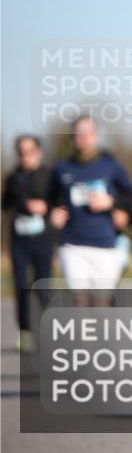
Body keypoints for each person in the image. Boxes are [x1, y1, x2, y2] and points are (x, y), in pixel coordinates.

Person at [50, 116, 132, 307]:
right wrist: (53, 216)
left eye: (88, 133)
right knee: (80, 301)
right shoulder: (62, 168)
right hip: (73, 244)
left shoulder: (110, 165)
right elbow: (51, 202)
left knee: (100, 304)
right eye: (78, 133)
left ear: (96, 135)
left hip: (105, 244)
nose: (83, 138)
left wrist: (112, 202)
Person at [2, 135, 56, 351]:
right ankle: (25, 331)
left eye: (29, 151)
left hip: (43, 239)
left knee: (42, 286)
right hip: (19, 241)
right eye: (21, 152)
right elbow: (5, 204)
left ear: (38, 151)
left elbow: (60, 203)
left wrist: (46, 208)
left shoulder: (50, 176)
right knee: (21, 286)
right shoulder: (13, 177)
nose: (25, 156)